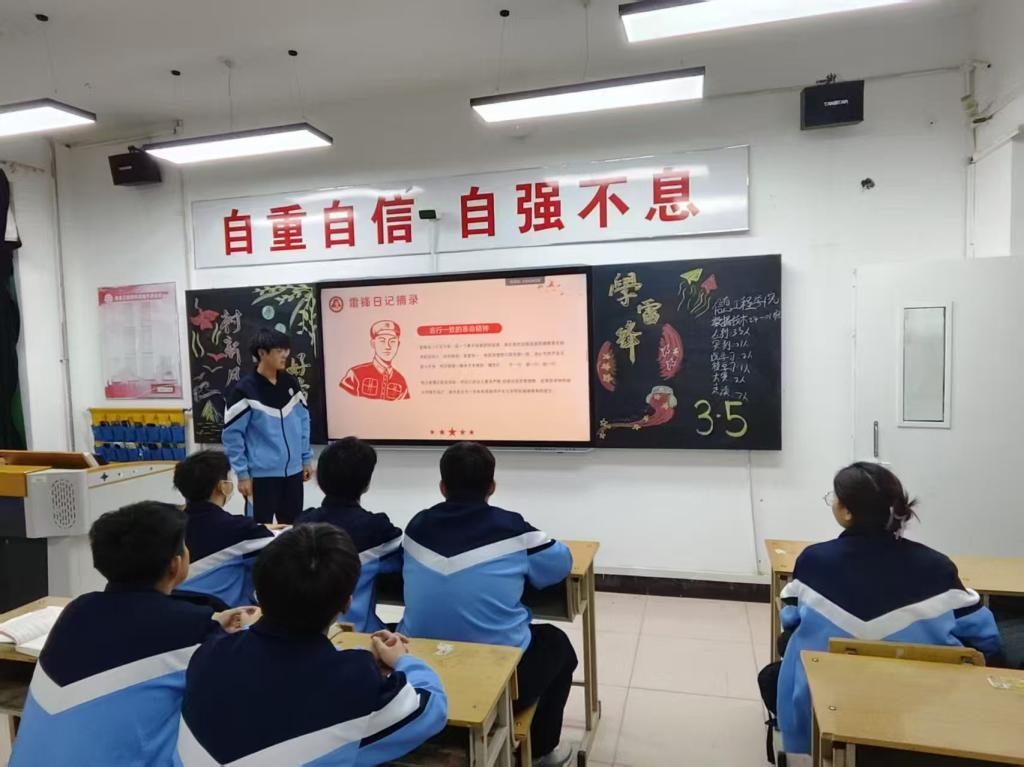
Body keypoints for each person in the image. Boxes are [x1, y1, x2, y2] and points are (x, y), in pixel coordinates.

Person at [776, 462, 1003, 756]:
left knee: (787, 653)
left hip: (825, 712)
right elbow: (987, 639)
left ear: (847, 512)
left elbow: (789, 618)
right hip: (925, 719)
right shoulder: (937, 567)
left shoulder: (813, 562)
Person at [175, 523, 447, 766]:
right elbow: (430, 708)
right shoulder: (354, 683)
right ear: (346, 604)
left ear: (258, 594)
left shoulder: (208, 654)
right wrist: (403, 659)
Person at [10, 502, 253, 766]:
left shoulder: (76, 611)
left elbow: (139, 629)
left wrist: (210, 621)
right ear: (175, 565)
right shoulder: (194, 630)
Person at [399, 442, 577, 767]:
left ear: (442, 487)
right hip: (500, 681)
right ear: (492, 487)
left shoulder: (416, 526)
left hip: (417, 672)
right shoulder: (513, 529)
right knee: (558, 645)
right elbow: (561, 564)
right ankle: (541, 752)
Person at [295, 437, 403, 632]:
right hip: (360, 635)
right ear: (366, 483)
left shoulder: (302, 525)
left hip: (303, 633)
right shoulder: (379, 531)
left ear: (321, 480)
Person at [222, 328, 313, 524]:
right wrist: (242, 474)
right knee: (258, 531)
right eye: (279, 350)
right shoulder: (244, 390)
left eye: (286, 350)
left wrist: (306, 459)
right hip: (261, 477)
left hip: (294, 474)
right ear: (262, 353)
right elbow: (232, 436)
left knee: (293, 530)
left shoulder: (291, 384)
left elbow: (304, 421)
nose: (285, 355)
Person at [173, 449, 275, 608]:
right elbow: (279, 544)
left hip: (179, 605)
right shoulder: (242, 530)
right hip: (226, 610)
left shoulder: (170, 527)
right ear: (223, 487)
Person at [340, 320, 411, 401]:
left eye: (392, 341)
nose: (387, 346)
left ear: (398, 345)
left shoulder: (401, 381)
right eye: (382, 341)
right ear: (373, 343)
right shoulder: (355, 374)